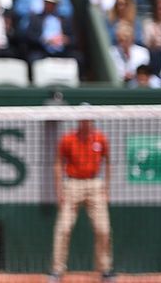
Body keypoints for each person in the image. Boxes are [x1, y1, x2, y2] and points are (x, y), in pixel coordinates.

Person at [49, 116, 114, 282]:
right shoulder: (68, 139)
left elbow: (108, 162)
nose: (86, 122)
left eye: (89, 119)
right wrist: (58, 190)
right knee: (63, 228)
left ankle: (105, 269)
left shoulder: (100, 138)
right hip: (72, 185)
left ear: (93, 121)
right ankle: (57, 270)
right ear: (78, 121)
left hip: (95, 184)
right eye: (83, 119)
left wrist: (106, 188)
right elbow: (58, 163)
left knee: (103, 229)